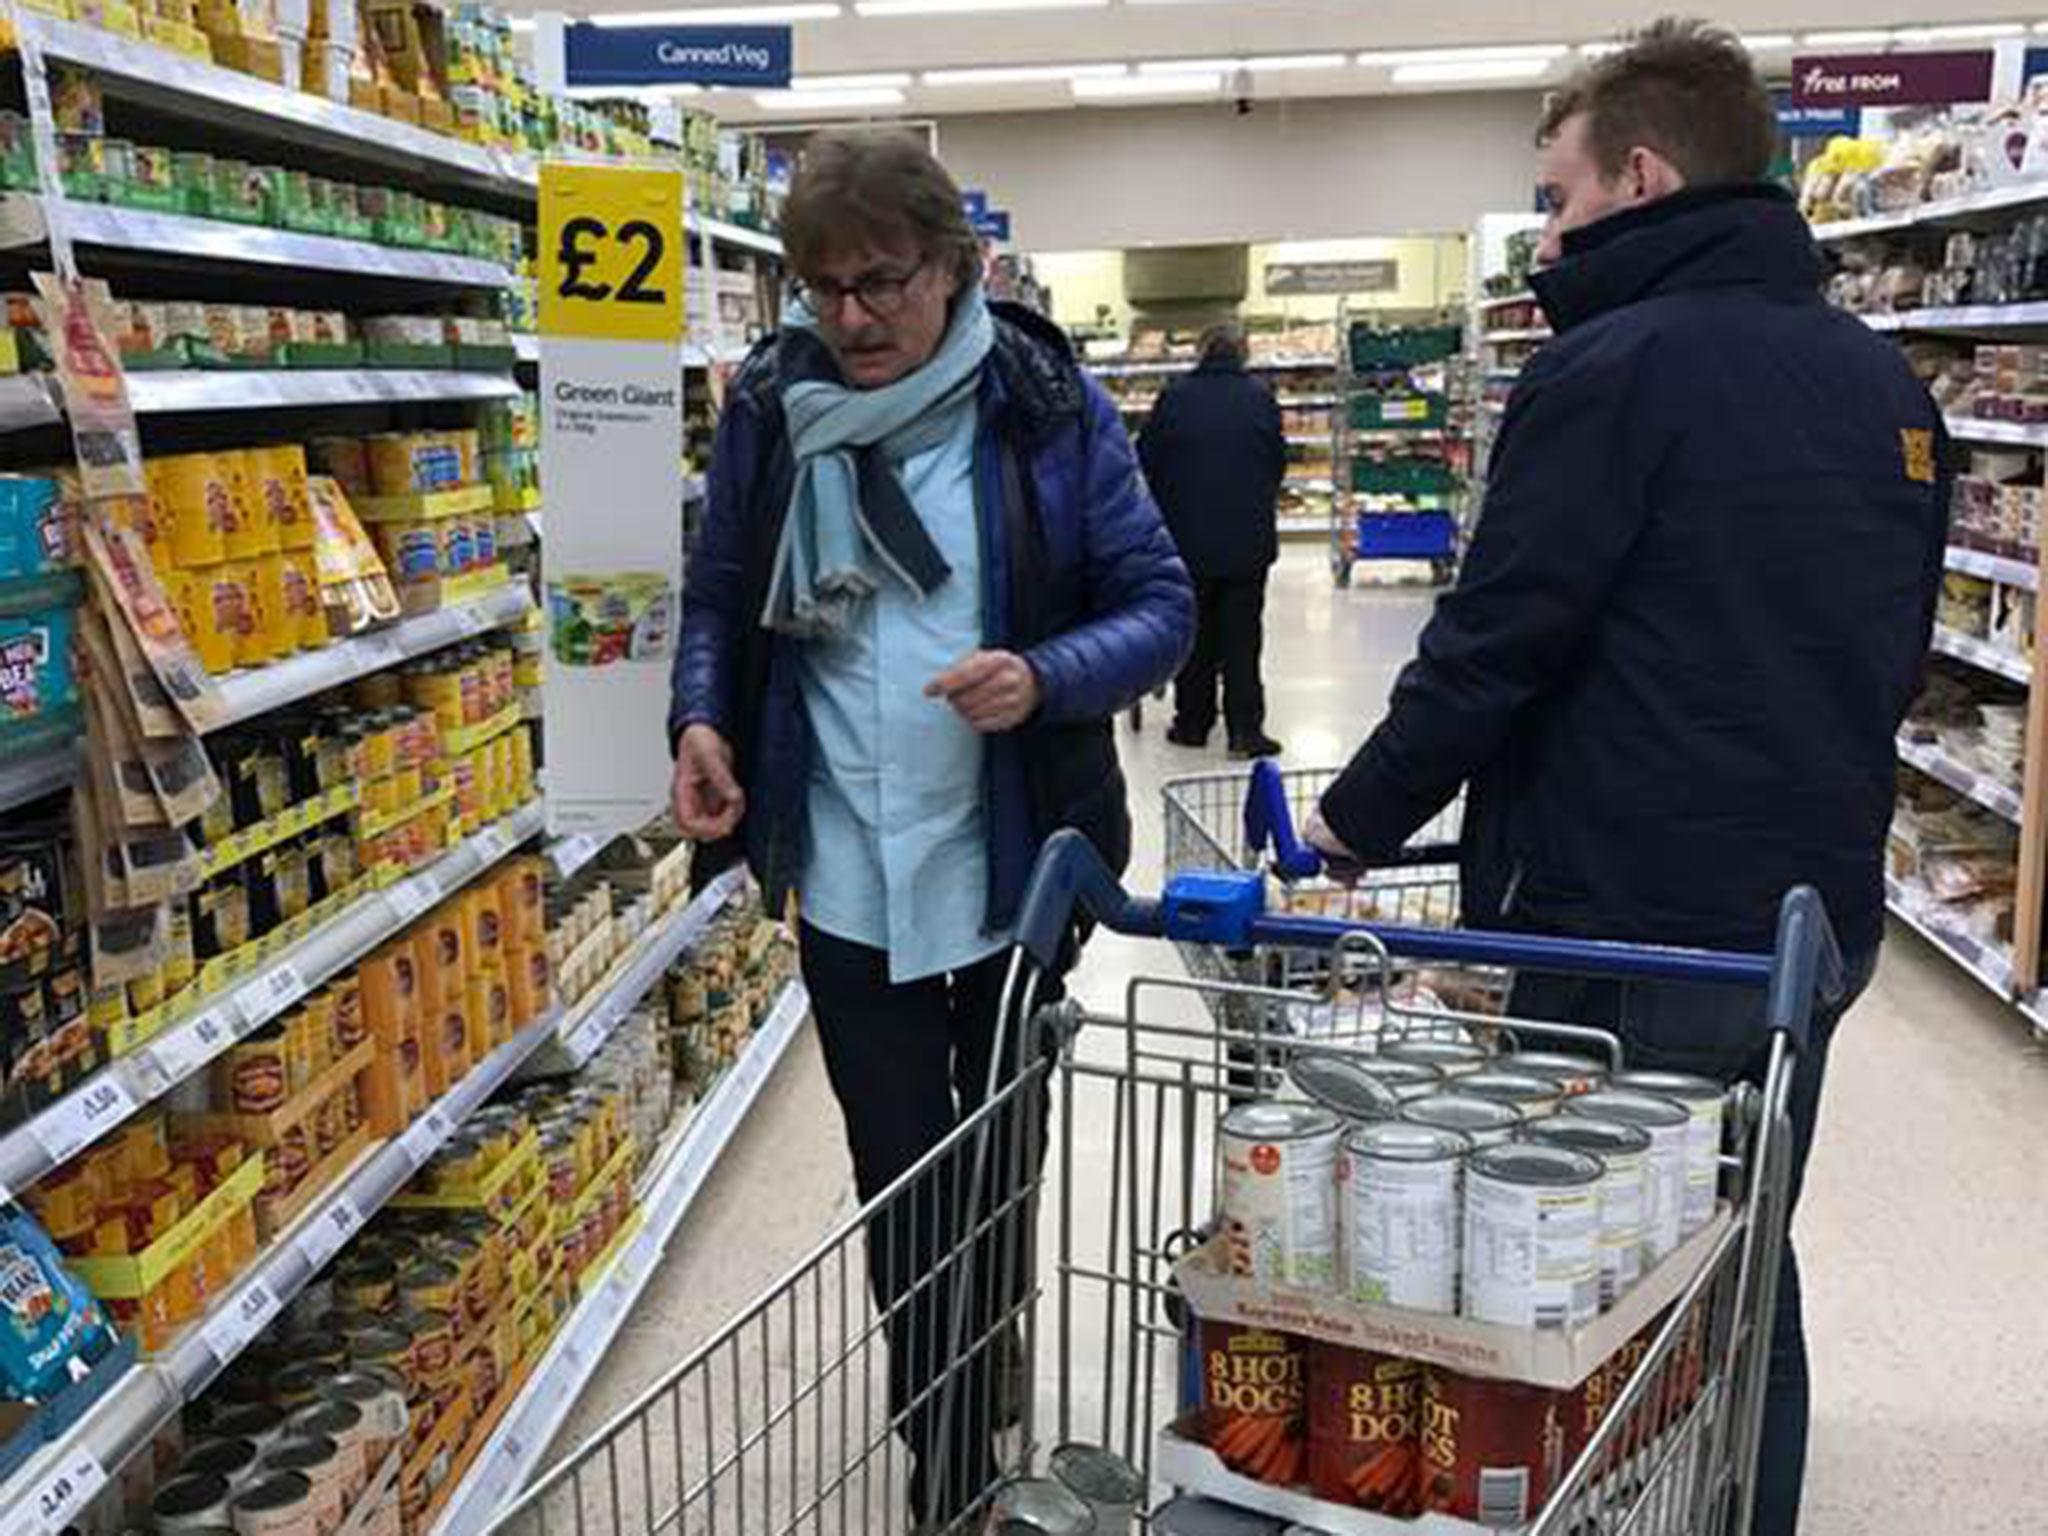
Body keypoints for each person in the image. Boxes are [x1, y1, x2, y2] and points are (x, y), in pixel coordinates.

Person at [1303, 21, 1946, 1536]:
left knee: (1592, 1266)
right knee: (1743, 1243)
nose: (1546, 230)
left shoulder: (1606, 371)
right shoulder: (1888, 389)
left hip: (1631, 921)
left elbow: (1493, 647)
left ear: (1639, 176)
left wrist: (1348, 825)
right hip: (1811, 914)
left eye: (1556, 194)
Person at [667, 129, 1192, 1531]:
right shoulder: (776, 409)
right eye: (822, 288)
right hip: (845, 872)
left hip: (1016, 866)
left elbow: (1160, 602)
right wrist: (700, 720)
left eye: (883, 283)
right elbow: (720, 596)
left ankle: (989, 1346)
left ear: (956, 269)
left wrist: (1046, 677)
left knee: (999, 1172)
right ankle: (947, 1464)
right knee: (904, 1189)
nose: (852, 319)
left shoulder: (1042, 404)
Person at [1137, 323, 1287, 757]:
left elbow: (1147, 461)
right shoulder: (1260, 398)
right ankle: (1245, 731)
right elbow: (1276, 462)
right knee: (1243, 636)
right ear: (1242, 352)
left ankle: (1193, 723)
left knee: (1195, 634)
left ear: (1201, 351)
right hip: (1247, 540)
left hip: (1187, 540)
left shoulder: (1175, 398)